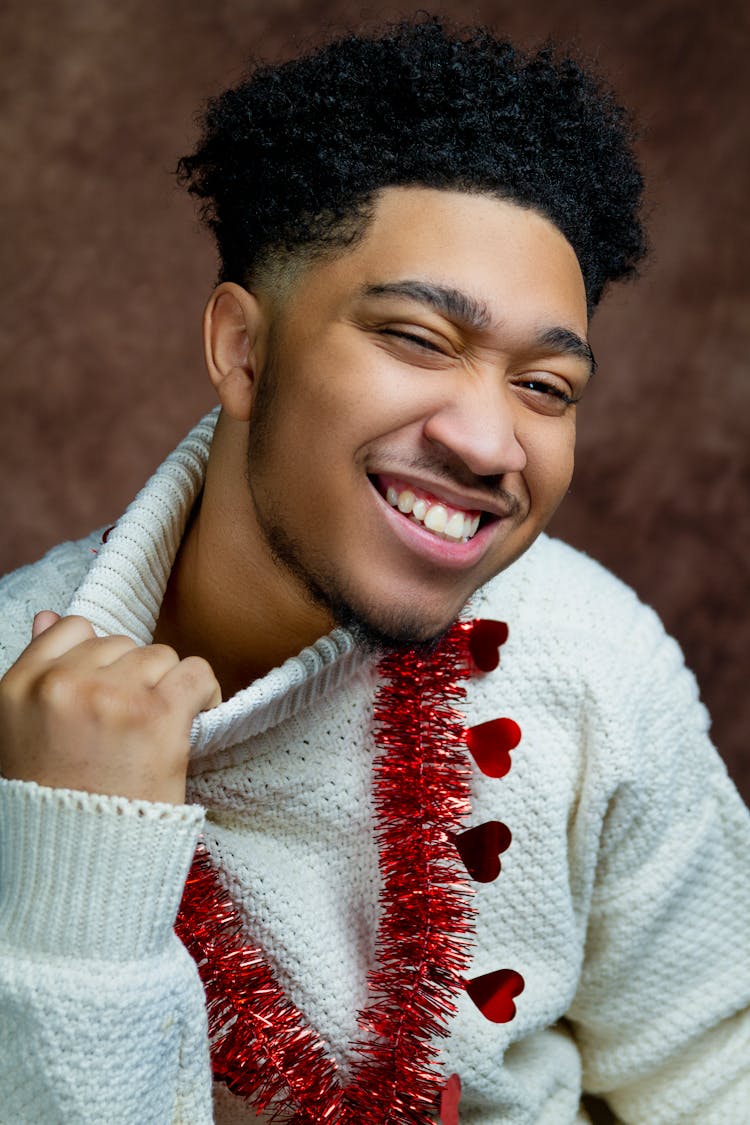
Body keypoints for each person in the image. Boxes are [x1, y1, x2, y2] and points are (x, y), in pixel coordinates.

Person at [0, 16, 748, 1125]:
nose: (493, 445)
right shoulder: (13, 693)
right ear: (243, 351)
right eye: (418, 339)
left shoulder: (590, 655)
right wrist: (79, 869)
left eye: (546, 388)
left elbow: (717, 1074)